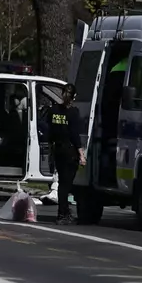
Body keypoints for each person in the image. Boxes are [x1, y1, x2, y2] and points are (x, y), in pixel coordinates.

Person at [49, 84, 86, 225]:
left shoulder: (53, 110)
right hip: (69, 151)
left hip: (58, 150)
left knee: (62, 184)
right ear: (74, 96)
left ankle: (63, 212)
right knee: (66, 184)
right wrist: (81, 154)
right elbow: (75, 135)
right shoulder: (73, 112)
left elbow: (50, 132)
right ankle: (63, 214)